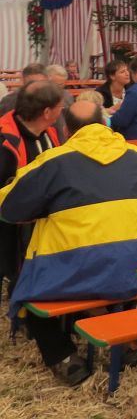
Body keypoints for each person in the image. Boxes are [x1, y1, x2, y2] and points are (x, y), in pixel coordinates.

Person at [0, 101, 137, 386]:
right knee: (116, 266)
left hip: (74, 271)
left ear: (65, 129)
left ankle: (63, 357)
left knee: (25, 291)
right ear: (105, 123)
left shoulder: (52, 161)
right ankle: (122, 338)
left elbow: (10, 209)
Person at [0, 82, 64, 296]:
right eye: (60, 107)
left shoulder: (50, 133)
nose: (62, 111)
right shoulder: (5, 140)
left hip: (38, 221)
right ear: (47, 112)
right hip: (7, 223)